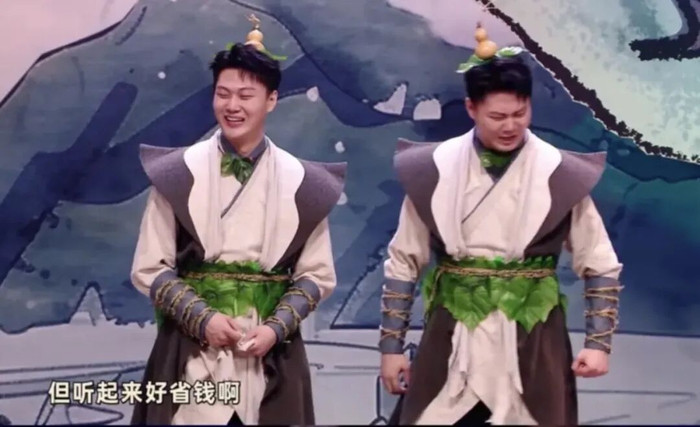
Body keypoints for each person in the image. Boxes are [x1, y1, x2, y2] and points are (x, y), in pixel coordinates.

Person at [378, 23, 623, 425]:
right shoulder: (434, 170)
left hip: (532, 337)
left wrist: (598, 344)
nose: (510, 126)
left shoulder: (559, 173)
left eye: (519, 113)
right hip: (453, 333)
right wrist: (391, 348)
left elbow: (599, 262)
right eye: (497, 116)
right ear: (471, 109)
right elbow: (403, 261)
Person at [129, 14, 346, 425]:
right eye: (223, 94)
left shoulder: (304, 183)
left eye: (246, 95)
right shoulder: (178, 173)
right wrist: (203, 319)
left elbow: (316, 275)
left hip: (272, 354)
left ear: (271, 100)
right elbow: (149, 268)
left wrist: (275, 328)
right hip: (191, 351)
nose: (232, 106)